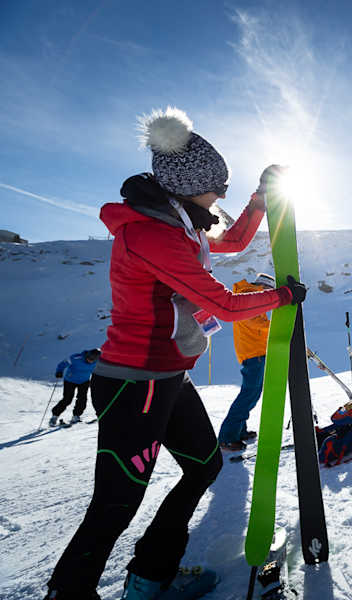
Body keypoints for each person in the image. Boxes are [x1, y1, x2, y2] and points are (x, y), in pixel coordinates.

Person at [44, 107, 306, 600]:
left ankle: (150, 575)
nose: (221, 195)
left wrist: (260, 197)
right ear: (188, 187)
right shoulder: (152, 234)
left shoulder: (183, 225)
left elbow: (232, 241)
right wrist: (283, 296)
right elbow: (225, 306)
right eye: (218, 187)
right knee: (115, 505)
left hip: (168, 377)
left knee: (204, 466)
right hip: (133, 382)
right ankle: (69, 593)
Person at [218, 272, 276, 451]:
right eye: (270, 291)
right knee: (248, 394)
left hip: (255, 352)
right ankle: (227, 438)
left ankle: (238, 431)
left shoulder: (250, 296)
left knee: (252, 394)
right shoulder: (250, 297)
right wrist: (279, 326)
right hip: (253, 353)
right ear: (264, 287)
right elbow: (255, 323)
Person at [50, 348, 101, 425]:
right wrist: (59, 371)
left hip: (84, 381)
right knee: (67, 399)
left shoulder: (98, 361)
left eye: (93, 360)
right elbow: (63, 363)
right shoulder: (75, 358)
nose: (90, 361)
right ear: (87, 355)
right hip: (70, 380)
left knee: (82, 399)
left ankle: (76, 416)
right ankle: (55, 416)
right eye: (89, 359)